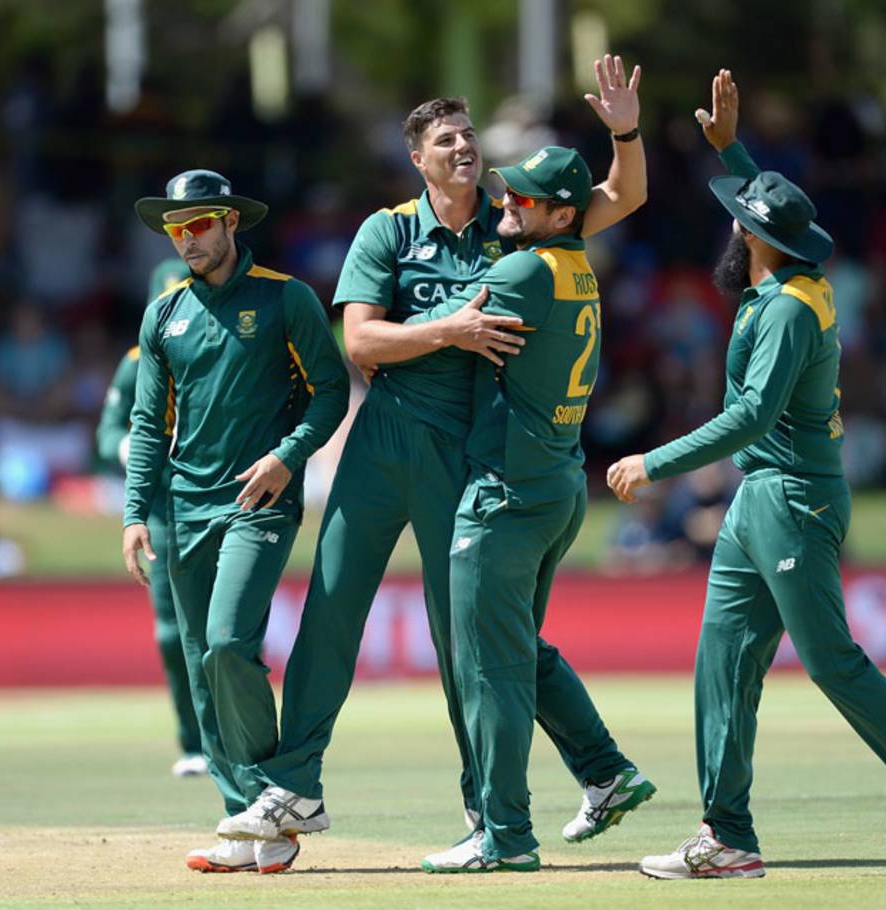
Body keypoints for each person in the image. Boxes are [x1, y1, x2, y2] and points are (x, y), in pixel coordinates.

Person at [218, 57, 652, 853]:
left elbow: (625, 195)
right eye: (445, 139)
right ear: (416, 157)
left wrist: (623, 129)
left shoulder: (515, 218)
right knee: (332, 610)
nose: (463, 148)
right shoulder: (388, 228)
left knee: (467, 643)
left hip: (467, 446)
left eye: (468, 135)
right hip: (384, 438)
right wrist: (446, 331)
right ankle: (295, 788)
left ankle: (485, 809)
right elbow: (358, 339)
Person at [607, 71, 886, 880]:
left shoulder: (790, 308)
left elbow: (753, 417)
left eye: (737, 221)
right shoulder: (783, 278)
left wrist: (656, 461)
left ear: (753, 240)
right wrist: (730, 148)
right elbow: (771, 210)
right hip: (760, 500)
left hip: (792, 498)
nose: (728, 228)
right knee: (722, 661)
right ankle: (726, 835)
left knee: (832, 663)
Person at [408, 145, 652, 872]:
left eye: (521, 200)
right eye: (506, 195)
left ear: (562, 214)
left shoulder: (519, 271)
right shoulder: (574, 266)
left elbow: (443, 339)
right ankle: (606, 772)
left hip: (505, 495)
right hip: (555, 485)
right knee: (516, 651)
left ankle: (505, 836)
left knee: (489, 667)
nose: (504, 205)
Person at [122, 170, 348, 875]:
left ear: (230, 224)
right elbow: (146, 423)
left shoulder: (286, 299)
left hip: (259, 502)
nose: (188, 239)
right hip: (183, 508)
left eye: (199, 225)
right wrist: (135, 512)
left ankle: (276, 797)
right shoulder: (164, 315)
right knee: (200, 669)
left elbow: (331, 392)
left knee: (226, 644)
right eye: (175, 229)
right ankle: (247, 822)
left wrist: (287, 457)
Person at [96, 258, 204, 780]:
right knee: (171, 632)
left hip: (220, 497)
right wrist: (135, 454)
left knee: (223, 631)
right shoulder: (137, 361)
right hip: (163, 509)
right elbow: (108, 431)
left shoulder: (222, 346)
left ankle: (236, 737)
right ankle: (194, 742)